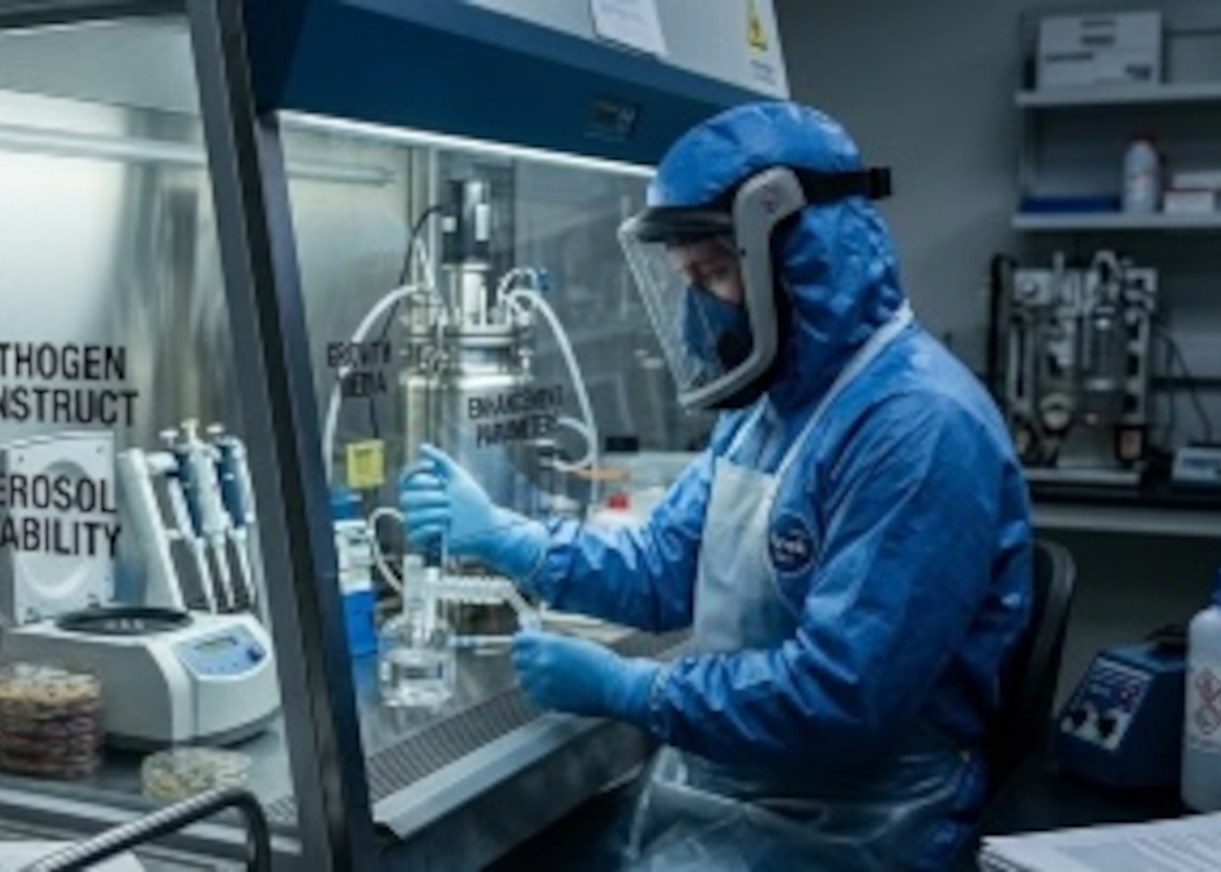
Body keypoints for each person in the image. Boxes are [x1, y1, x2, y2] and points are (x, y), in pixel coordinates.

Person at [400, 101, 1033, 870]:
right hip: (736, 786)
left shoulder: (917, 427)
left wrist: (637, 691)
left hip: (860, 823)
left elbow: (841, 700)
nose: (700, 305)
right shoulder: (772, 407)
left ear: (799, 255)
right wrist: (513, 541)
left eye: (716, 273)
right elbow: (668, 569)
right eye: (686, 279)